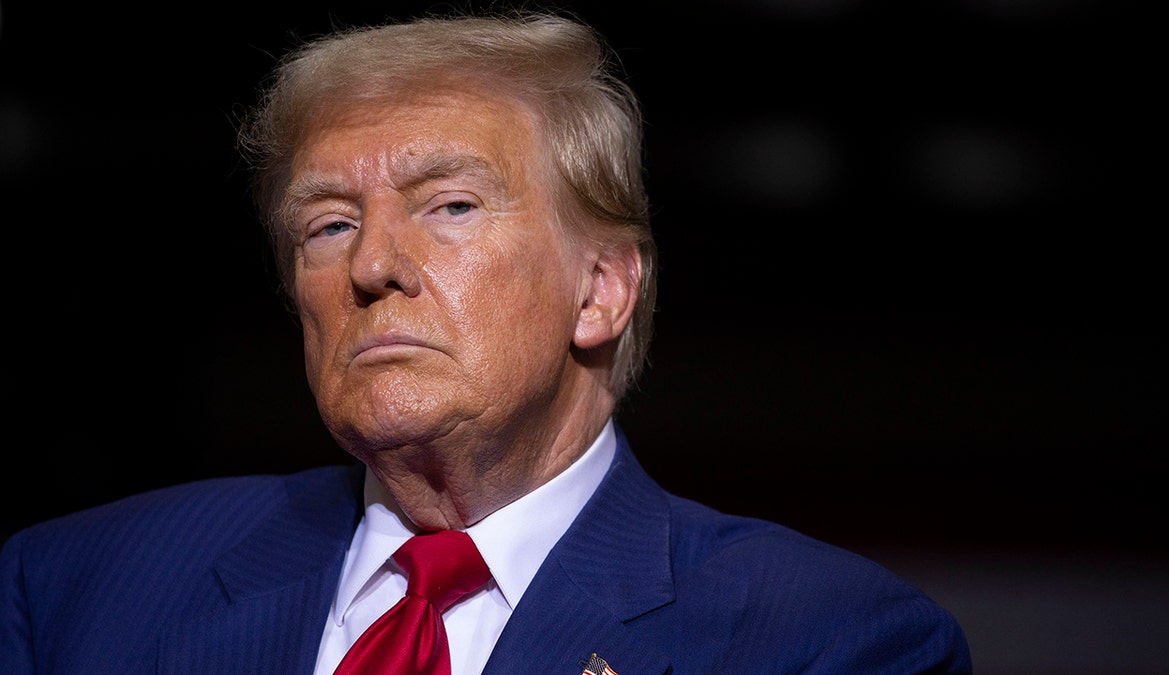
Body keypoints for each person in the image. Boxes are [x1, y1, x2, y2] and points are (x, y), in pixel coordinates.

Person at [0, 8, 972, 674]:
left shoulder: (824, 641)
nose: (372, 264)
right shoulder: (70, 592)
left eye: (451, 205)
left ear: (600, 290)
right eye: (327, 225)